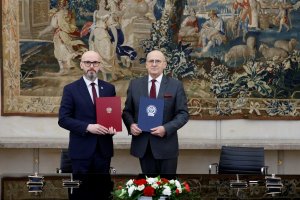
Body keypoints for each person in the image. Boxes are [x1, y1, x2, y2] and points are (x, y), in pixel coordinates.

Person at [58, 50, 116, 199]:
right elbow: (63, 119)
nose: (92, 66)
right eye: (88, 63)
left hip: (103, 151)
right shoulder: (71, 89)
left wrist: (112, 127)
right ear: (81, 65)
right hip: (81, 152)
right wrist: (88, 127)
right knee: (79, 193)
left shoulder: (109, 88)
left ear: (99, 65)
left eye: (95, 63)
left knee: (102, 193)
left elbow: (111, 115)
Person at [122, 50, 189, 178]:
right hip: (144, 146)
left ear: (164, 64)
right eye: (150, 61)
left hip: (167, 146)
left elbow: (183, 114)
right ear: (146, 64)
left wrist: (166, 128)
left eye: (157, 61)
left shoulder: (175, 85)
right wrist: (131, 125)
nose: (154, 64)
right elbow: (127, 112)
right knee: (148, 190)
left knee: (168, 189)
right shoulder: (135, 85)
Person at [38, 0, 87, 75]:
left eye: (63, 4)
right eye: (62, 4)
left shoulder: (64, 14)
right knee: (60, 51)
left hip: (63, 35)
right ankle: (63, 69)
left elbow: (53, 26)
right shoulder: (60, 14)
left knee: (65, 49)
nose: (63, 6)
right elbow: (52, 26)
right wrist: (42, 32)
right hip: (59, 35)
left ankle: (67, 66)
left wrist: (42, 32)